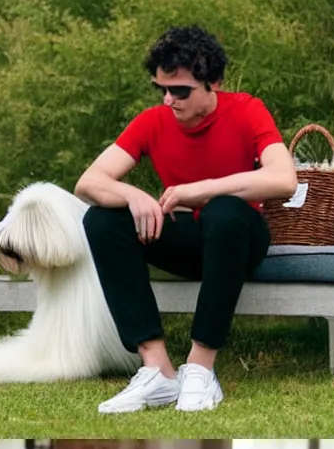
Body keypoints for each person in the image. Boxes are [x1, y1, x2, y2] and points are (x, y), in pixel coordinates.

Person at [75, 25, 297, 415]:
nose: (169, 100)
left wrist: (204, 188)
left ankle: (200, 367)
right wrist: (132, 195)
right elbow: (88, 183)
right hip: (188, 240)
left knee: (224, 210)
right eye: (161, 89)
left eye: (180, 91)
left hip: (238, 238)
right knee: (102, 220)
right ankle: (158, 369)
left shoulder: (247, 109)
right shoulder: (152, 121)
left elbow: (284, 179)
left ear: (213, 83)